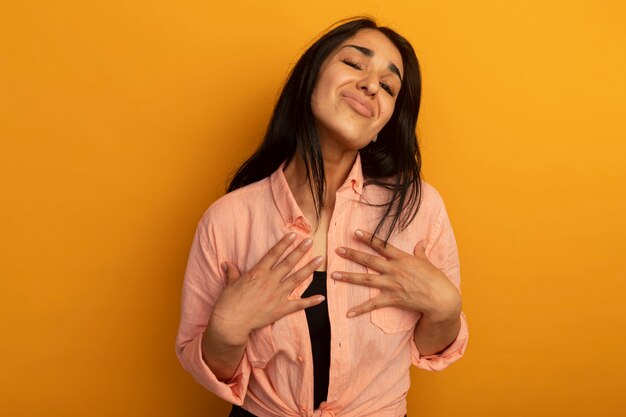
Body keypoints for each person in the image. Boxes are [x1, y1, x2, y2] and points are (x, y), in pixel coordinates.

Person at [176, 17, 468, 417]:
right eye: (354, 64)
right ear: (310, 79)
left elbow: (433, 347)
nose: (371, 85)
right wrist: (226, 331)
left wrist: (446, 309)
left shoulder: (421, 211)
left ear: (382, 126)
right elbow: (216, 370)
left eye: (388, 86)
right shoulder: (226, 220)